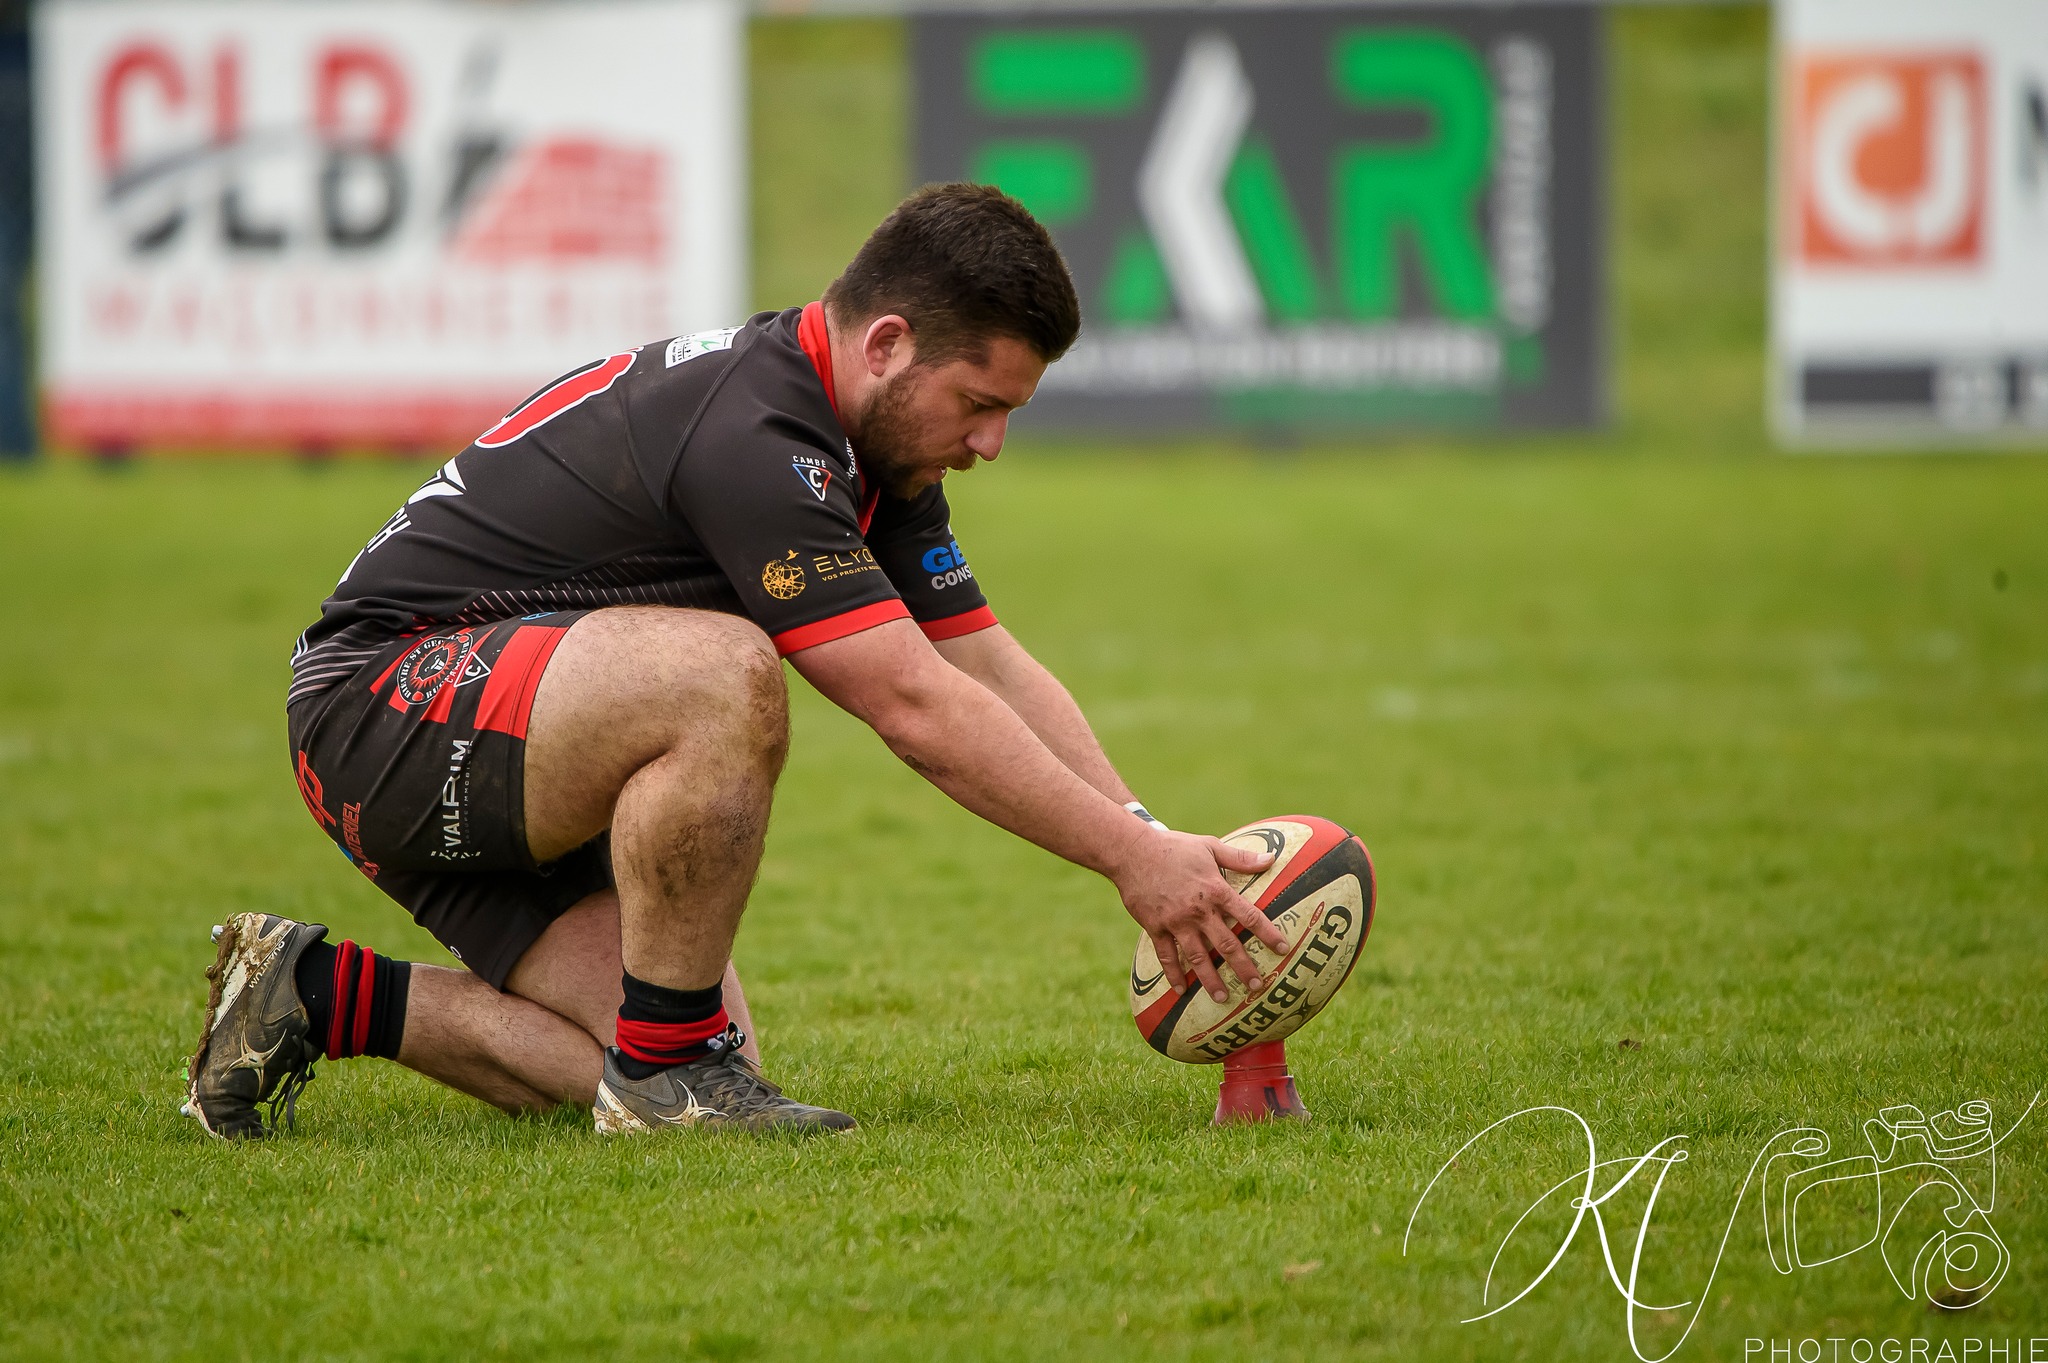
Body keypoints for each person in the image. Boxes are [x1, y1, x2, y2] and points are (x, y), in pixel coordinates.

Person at [184, 184, 1283, 1140]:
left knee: (694, 1042)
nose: (989, 442)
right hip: (389, 704)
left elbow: (980, 666)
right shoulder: (757, 434)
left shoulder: (867, 447)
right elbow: (909, 704)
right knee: (724, 674)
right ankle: (666, 1079)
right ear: (887, 343)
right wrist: (1128, 868)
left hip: (518, 723)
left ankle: (311, 993)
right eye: (980, 404)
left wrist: (1146, 842)